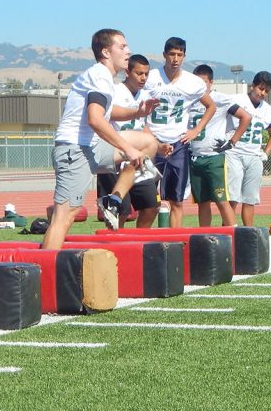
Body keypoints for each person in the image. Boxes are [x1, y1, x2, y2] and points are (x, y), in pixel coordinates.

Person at [42, 29, 159, 249]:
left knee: (147, 143)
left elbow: (107, 111)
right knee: (64, 217)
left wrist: (137, 113)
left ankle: (113, 200)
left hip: (92, 147)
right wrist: (127, 149)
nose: (128, 51)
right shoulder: (99, 75)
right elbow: (95, 119)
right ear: (106, 52)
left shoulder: (104, 77)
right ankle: (44, 273)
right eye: (122, 47)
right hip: (74, 150)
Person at [145, 37, 217, 227]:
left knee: (177, 200)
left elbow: (211, 106)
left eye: (179, 54)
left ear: (184, 56)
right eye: (172, 54)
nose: (175, 59)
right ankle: (142, 240)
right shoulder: (151, 78)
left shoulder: (193, 82)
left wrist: (196, 130)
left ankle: (174, 242)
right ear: (164, 55)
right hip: (152, 141)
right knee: (148, 202)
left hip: (177, 143)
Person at [96, 54, 159, 228]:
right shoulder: (114, 91)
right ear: (127, 72)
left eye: (146, 74)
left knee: (151, 206)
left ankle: (140, 245)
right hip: (116, 156)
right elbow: (103, 116)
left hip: (136, 159)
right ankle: (115, 247)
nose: (143, 78)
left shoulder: (146, 95)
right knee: (120, 211)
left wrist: (159, 146)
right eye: (139, 73)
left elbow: (144, 127)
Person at [187, 65, 252, 226]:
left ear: (211, 82)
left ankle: (234, 234)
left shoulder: (220, 99)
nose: (200, 86)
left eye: (204, 82)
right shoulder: (189, 99)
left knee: (221, 199)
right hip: (195, 156)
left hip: (214, 157)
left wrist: (232, 141)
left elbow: (246, 117)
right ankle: (204, 237)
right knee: (202, 202)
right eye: (197, 82)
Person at [225, 71, 271, 226]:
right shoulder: (236, 100)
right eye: (261, 88)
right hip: (234, 153)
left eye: (267, 91)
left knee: (250, 199)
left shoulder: (267, 110)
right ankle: (228, 230)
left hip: (254, 156)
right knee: (232, 197)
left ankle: (248, 233)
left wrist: (265, 153)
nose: (263, 93)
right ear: (252, 86)